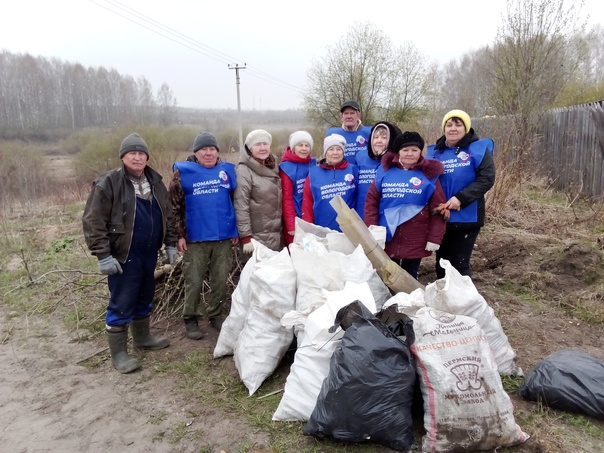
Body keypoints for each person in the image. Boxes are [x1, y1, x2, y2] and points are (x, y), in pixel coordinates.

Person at [82, 133, 177, 374]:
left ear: (147, 157)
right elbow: (94, 221)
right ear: (123, 157)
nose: (137, 157)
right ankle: (119, 354)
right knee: (122, 301)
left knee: (145, 295)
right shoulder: (109, 183)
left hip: (149, 253)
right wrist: (103, 254)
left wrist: (170, 243)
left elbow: (166, 214)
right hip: (124, 254)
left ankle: (143, 338)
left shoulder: (155, 181)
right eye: (132, 153)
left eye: (141, 153)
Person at [169, 132, 238, 340]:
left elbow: (236, 202)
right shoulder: (183, 172)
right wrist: (178, 235)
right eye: (203, 150)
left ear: (218, 151)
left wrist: (235, 230)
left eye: (212, 149)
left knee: (219, 279)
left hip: (223, 236)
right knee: (194, 279)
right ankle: (191, 317)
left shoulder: (228, 171)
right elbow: (173, 207)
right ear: (196, 153)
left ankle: (215, 315)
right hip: (194, 237)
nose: (208, 153)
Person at [364, 131, 446, 280]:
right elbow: (371, 202)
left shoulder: (430, 175)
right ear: (398, 152)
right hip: (387, 235)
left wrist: (434, 237)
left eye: (414, 150)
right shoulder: (384, 172)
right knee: (388, 277)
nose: (410, 154)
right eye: (405, 150)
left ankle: (408, 302)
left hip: (415, 237)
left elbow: (439, 208)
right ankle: (389, 302)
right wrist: (372, 228)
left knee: (410, 278)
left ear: (421, 151)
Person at [426, 109, 495, 278]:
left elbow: (486, 178)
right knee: (442, 263)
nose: (453, 129)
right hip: (441, 216)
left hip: (467, 217)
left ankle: (464, 301)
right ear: (444, 129)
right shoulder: (434, 152)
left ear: (466, 128)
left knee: (459, 264)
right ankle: (444, 300)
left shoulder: (477, 149)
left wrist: (461, 198)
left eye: (458, 124)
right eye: (449, 125)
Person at [234, 129, 283, 255]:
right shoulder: (244, 171)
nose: (262, 148)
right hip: (255, 238)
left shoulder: (274, 167)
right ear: (249, 149)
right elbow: (241, 205)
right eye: (257, 144)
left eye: (265, 144)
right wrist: (245, 237)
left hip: (276, 234)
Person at [301, 133, 358, 232]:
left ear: (343, 152)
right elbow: (307, 204)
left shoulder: (353, 170)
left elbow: (361, 200)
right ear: (325, 152)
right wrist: (308, 230)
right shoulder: (314, 174)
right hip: (322, 231)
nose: (335, 153)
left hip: (351, 232)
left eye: (339, 149)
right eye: (331, 149)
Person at [355, 121, 401, 220]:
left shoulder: (396, 161)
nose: (379, 141)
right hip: (361, 213)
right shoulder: (360, 156)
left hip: (385, 216)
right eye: (376, 137)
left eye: (384, 138)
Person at [279, 130, 316, 246]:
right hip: (296, 220)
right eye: (300, 145)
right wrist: (291, 224)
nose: (304, 149)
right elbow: (287, 199)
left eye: (307, 145)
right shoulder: (287, 168)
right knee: (298, 251)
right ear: (293, 147)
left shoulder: (313, 164)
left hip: (312, 217)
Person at [325, 100, 372, 165]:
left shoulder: (370, 132)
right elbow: (327, 159)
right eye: (346, 113)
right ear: (341, 117)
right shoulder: (332, 134)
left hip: (364, 173)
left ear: (358, 116)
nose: (349, 116)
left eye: (352, 113)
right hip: (341, 173)